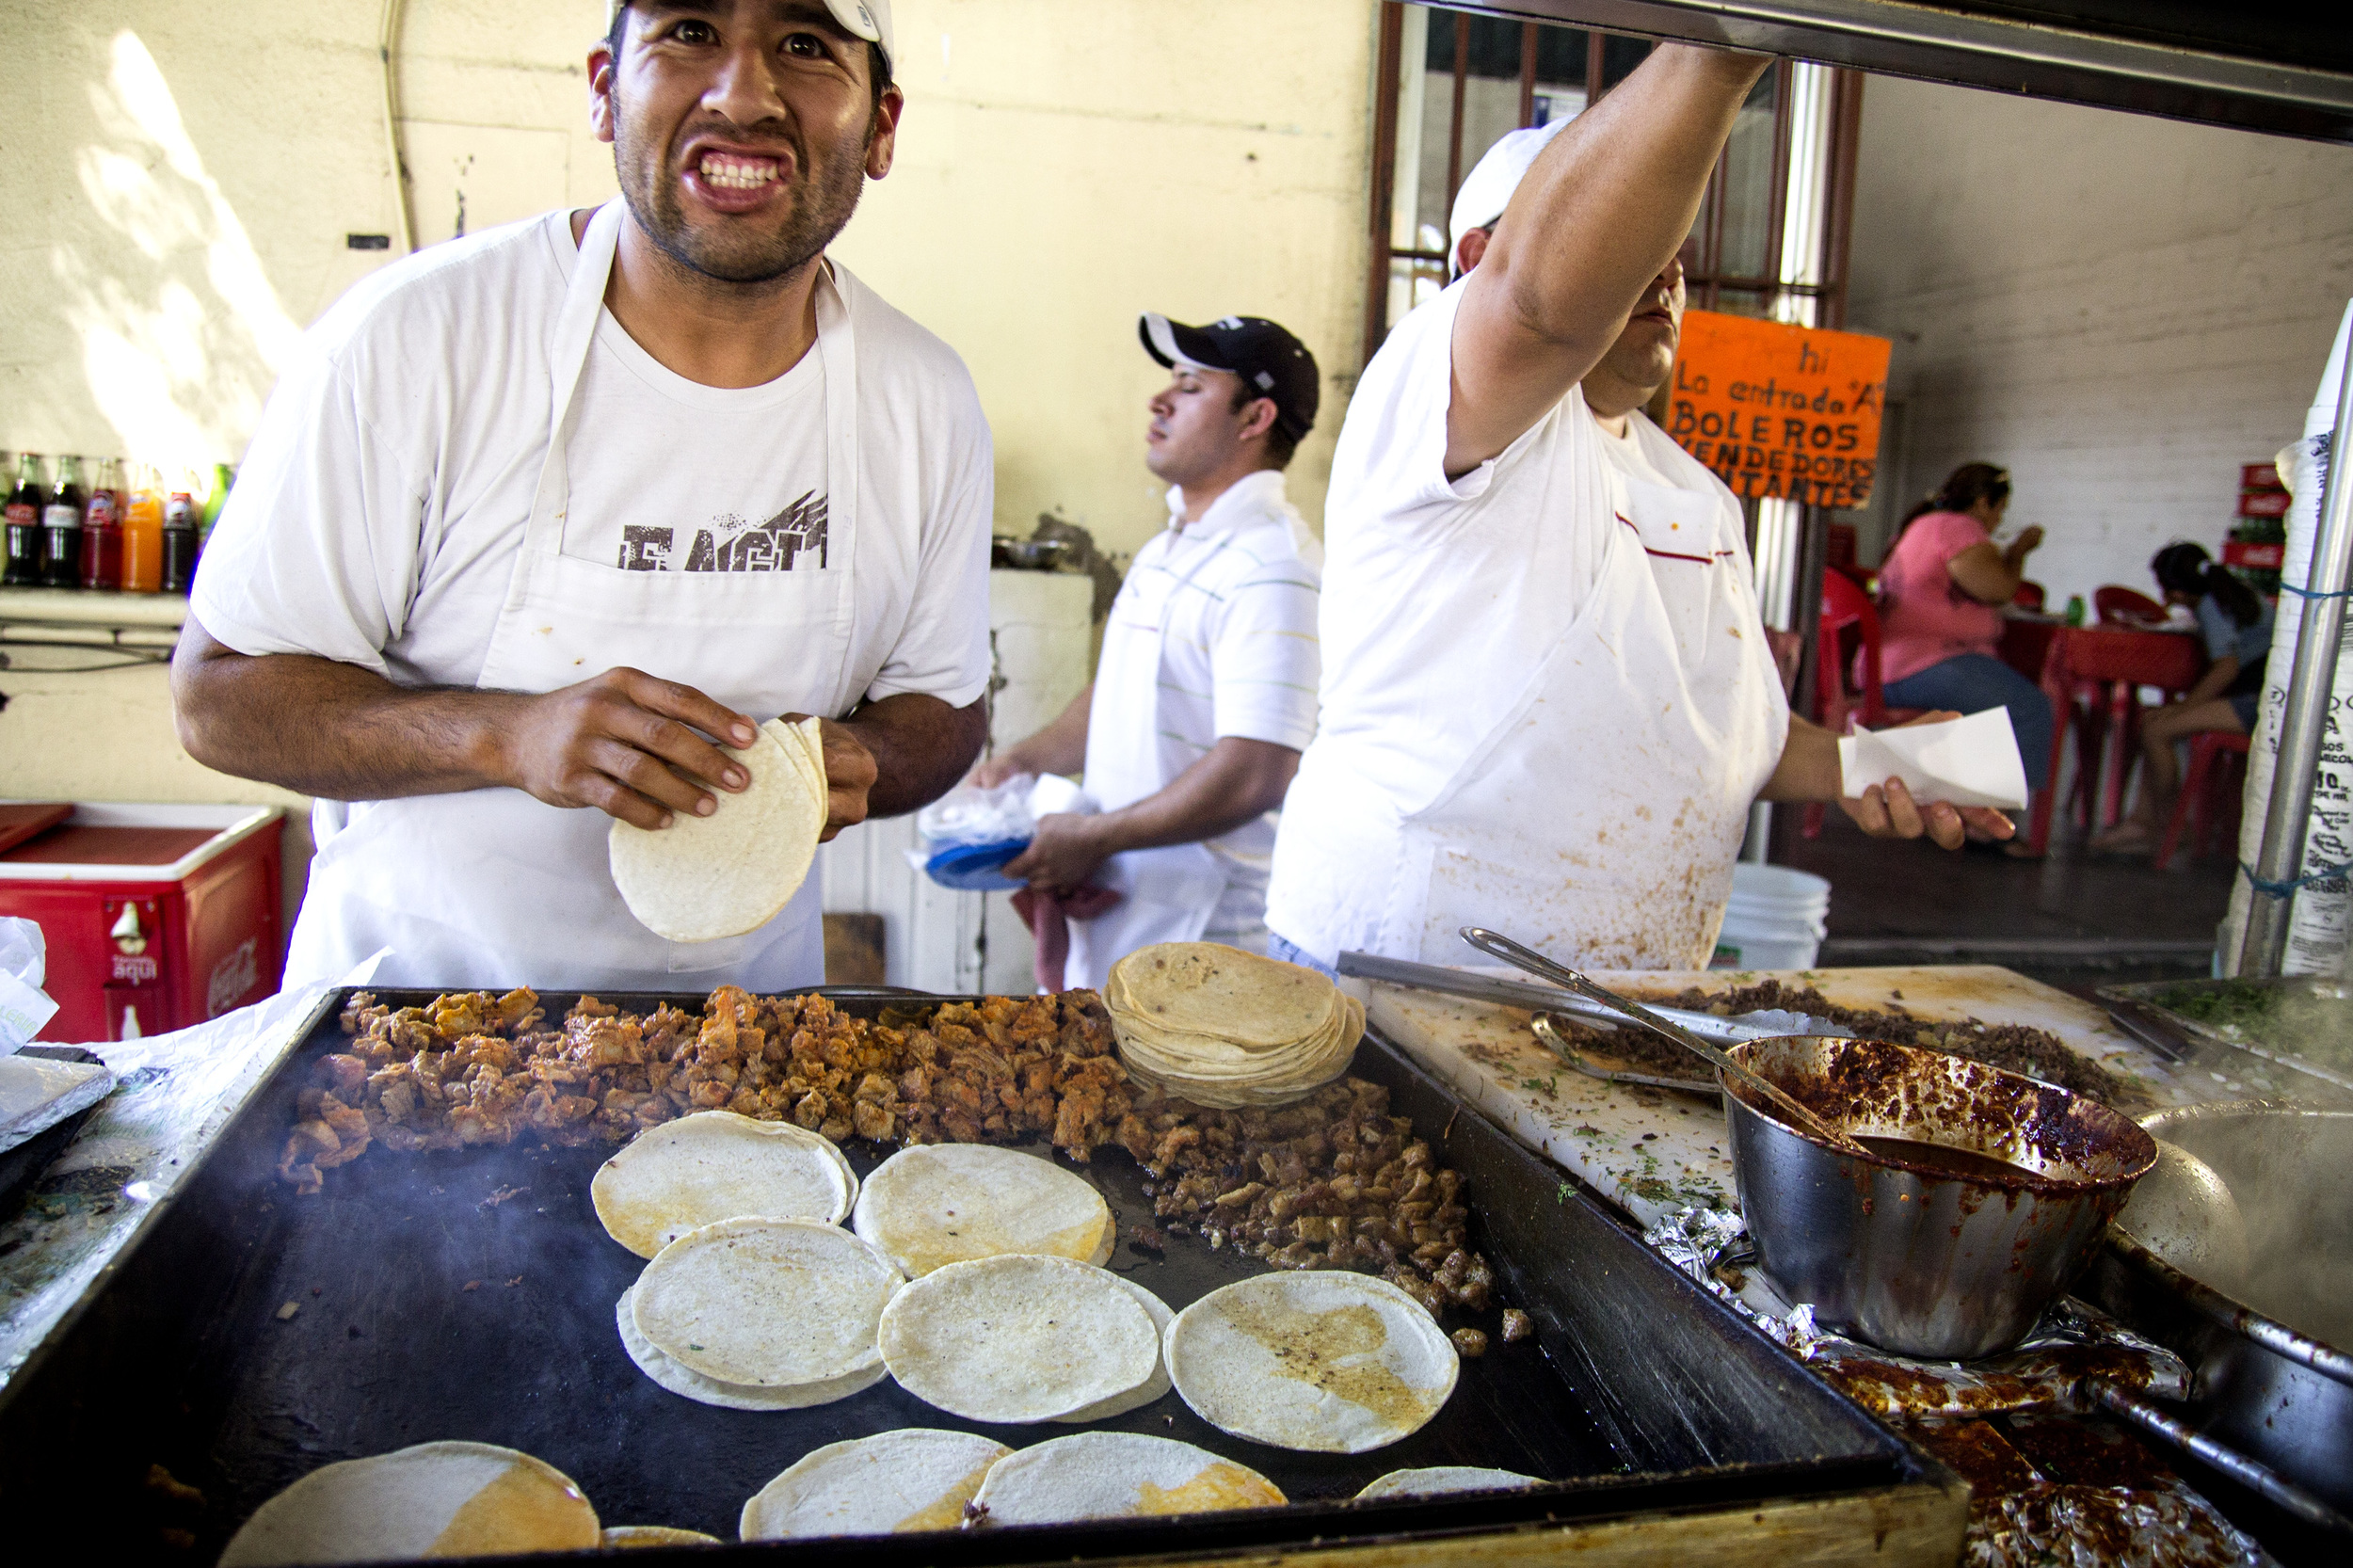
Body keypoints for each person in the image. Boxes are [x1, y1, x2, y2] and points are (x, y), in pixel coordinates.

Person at [171, 0, 992, 992]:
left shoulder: (923, 400)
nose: (742, 93)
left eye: (805, 45)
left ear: (882, 127)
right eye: (689, 31)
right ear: (606, 92)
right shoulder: (419, 339)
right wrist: (506, 734)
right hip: (411, 1037)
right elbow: (220, 696)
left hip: (743, 1046)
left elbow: (942, 710)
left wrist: (853, 759)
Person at [1263, 47, 2012, 978]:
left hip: (1626, 992)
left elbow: (1707, 735)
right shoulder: (1434, 383)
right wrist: (1718, 49)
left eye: (1673, 252)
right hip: (1399, 959)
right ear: (1472, 264)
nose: (1659, 271)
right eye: (1624, 244)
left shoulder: (1696, 492)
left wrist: (1863, 768)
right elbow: (1538, 309)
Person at [974, 314, 1322, 987]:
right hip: (1129, 914)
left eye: (1191, 387)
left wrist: (1097, 837)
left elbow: (1257, 768)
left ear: (1255, 417)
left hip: (1211, 943)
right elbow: (1118, 698)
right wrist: (1023, 761)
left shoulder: (1274, 567)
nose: (1159, 401)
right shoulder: (1171, 547)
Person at [1874, 461, 2055, 855]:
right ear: (1983, 503)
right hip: (1921, 665)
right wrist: (2019, 551)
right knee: (2030, 708)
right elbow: (1997, 589)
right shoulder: (1958, 528)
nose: (1998, 520)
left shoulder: (1922, 524)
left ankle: (1964, 806)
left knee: (1994, 693)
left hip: (1891, 665)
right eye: (1999, 510)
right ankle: (1994, 824)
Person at [2089, 542, 2275, 855]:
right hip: (2260, 697)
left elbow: (2226, 668)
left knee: (2157, 729)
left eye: (2168, 590)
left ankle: (2172, 824)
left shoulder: (2211, 606)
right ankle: (2142, 821)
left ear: (2182, 587)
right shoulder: (2233, 592)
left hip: (2261, 705)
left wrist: (2183, 710)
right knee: (2153, 721)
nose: (2166, 599)